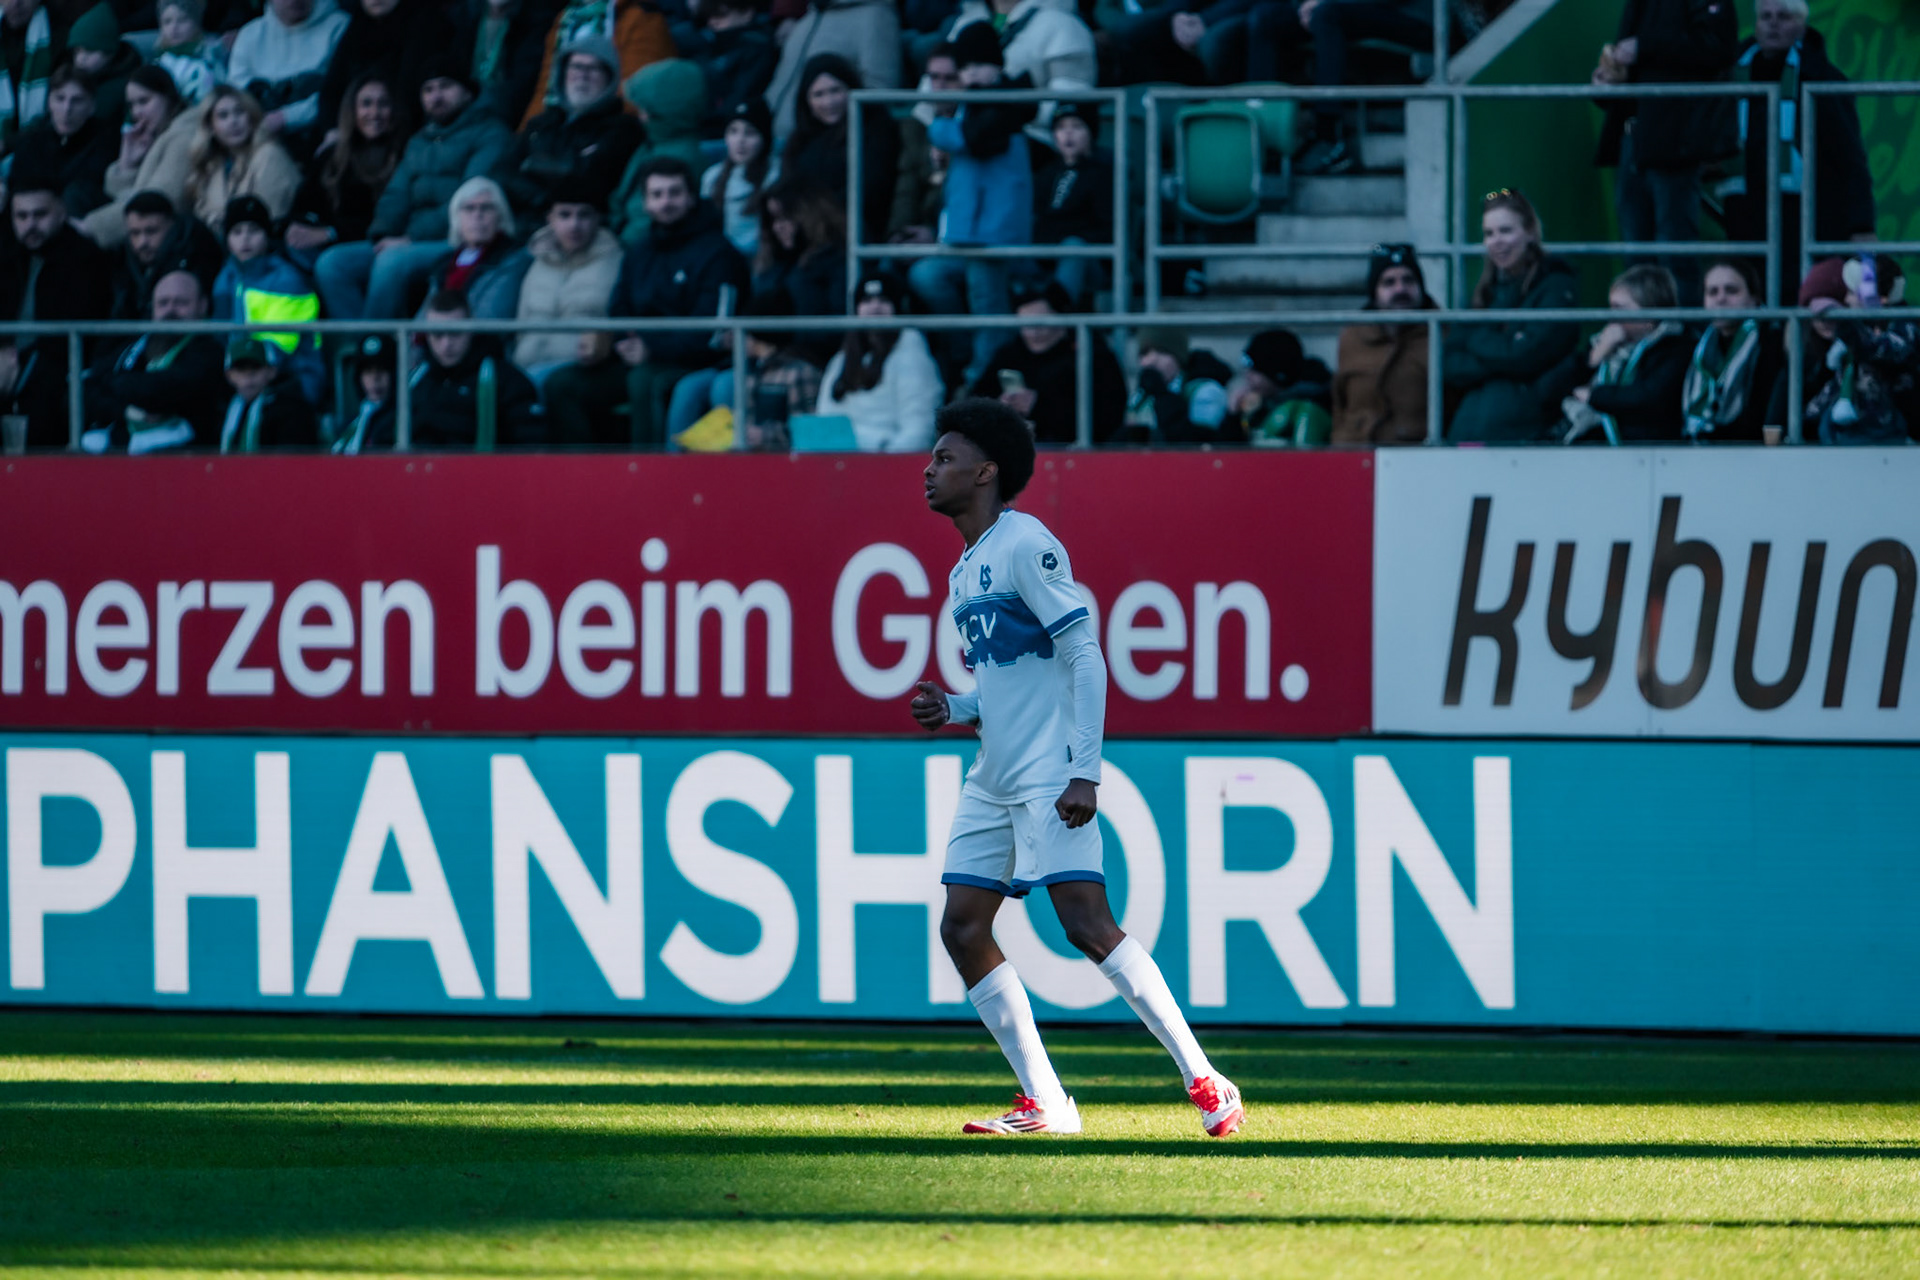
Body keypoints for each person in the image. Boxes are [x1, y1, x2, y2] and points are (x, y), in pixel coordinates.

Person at [909, 396, 1244, 1139]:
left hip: (1050, 773)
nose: (929, 470)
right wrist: (956, 708)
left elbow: (1085, 656)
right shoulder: (965, 570)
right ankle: (1048, 1105)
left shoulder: (1027, 544)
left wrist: (1084, 772)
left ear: (986, 472)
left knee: (1087, 925)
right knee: (963, 928)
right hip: (993, 775)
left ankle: (1204, 1077)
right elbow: (1012, 681)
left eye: (945, 458)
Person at [542, 156, 748, 446]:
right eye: (657, 194)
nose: (666, 202)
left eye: (674, 193)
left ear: (691, 198)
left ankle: (651, 477)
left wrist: (650, 349)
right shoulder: (641, 249)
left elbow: (712, 332)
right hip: (641, 358)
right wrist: (617, 342)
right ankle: (583, 479)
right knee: (563, 384)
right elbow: (619, 307)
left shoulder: (718, 253)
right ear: (646, 202)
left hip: (695, 363)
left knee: (644, 381)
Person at [314, 60, 512, 319]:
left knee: (392, 262)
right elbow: (396, 194)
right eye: (428, 90)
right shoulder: (420, 140)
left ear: (467, 91)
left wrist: (410, 239)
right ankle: (355, 348)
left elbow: (469, 202)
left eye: (445, 87)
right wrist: (383, 233)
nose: (436, 96)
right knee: (333, 264)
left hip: (456, 240)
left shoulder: (491, 134)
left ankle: (376, 350)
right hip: (410, 240)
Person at [1591, 0, 1739, 303]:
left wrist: (1644, 47)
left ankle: (1682, 340)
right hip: (1633, 139)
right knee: (1636, 257)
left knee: (1675, 255)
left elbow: (1717, 48)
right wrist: (1610, 81)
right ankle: (1645, 340)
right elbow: (1644, 67)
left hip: (1675, 144)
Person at [909, 27, 1034, 386]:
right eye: (968, 67)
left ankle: (981, 381)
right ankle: (969, 361)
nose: (972, 75)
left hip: (993, 234)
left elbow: (974, 140)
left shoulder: (1005, 101)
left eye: (981, 64)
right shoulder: (973, 105)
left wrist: (937, 128)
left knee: (988, 307)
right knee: (927, 276)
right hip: (966, 233)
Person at [1719, 0, 1876, 262]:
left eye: (1784, 16)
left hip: (1807, 213)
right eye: (1765, 16)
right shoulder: (1729, 75)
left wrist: (1861, 226)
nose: (1773, 23)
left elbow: (1850, 157)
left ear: (1802, 26)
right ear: (1755, 24)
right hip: (1744, 210)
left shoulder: (1823, 79)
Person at [1444, 189, 1580, 443]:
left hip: (1527, 435)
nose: (1496, 241)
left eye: (1505, 230)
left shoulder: (1557, 286)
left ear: (1530, 232)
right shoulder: (1484, 293)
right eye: (1489, 234)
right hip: (1469, 432)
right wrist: (1505, 354)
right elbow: (1450, 364)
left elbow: (1526, 355)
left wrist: (1477, 340)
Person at [0, 177, 114, 447]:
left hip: (58, 369)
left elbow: (75, 334)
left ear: (62, 212)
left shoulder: (86, 259)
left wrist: (19, 363)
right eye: (22, 216)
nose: (30, 225)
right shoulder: (6, 254)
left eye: (40, 214)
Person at [495, 35, 643, 222]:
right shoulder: (540, 124)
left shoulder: (623, 129)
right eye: (576, 66)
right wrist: (543, 199)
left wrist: (531, 166)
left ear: (609, 77)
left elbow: (589, 182)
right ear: (563, 73)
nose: (583, 75)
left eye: (593, 68)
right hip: (526, 223)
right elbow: (504, 173)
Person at [80, 267, 228, 452]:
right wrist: (124, 411)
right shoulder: (134, 344)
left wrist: (113, 381)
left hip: (183, 460)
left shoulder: (209, 350)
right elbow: (85, 390)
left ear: (202, 305)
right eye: (163, 303)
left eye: (180, 303)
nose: (170, 311)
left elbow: (166, 389)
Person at [1542, 264, 1690, 444]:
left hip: (1644, 450)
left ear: (1649, 314)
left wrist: (1593, 396)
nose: (1612, 317)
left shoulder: (1675, 348)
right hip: (1591, 443)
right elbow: (1551, 390)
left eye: (1620, 309)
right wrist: (1594, 358)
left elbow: (1647, 399)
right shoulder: (1604, 343)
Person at [967, 278, 1125, 445]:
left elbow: (1108, 418)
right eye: (1025, 324)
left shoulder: (1093, 355)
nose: (1033, 331)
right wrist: (999, 407)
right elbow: (974, 403)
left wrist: (1040, 405)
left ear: (1062, 316)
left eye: (1040, 322)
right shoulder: (1009, 355)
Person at [663, 291, 824, 449]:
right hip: (756, 464)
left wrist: (764, 435)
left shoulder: (801, 373)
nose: (737, 338)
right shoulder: (752, 371)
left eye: (744, 332)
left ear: (756, 335)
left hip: (788, 467)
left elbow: (810, 434)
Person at [773, 53, 899, 243]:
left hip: (856, 230)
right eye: (819, 94)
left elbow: (874, 186)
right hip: (805, 232)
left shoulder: (875, 125)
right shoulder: (799, 139)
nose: (829, 102)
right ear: (806, 100)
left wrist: (817, 215)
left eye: (836, 91)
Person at [212, 194, 326, 403]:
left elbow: (277, 351)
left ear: (267, 236)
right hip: (242, 376)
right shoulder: (225, 278)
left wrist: (237, 375)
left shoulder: (288, 280)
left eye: (254, 231)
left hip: (294, 380)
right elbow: (219, 338)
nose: (245, 239)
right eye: (237, 232)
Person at [285, 74, 406, 269]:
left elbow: (384, 221)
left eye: (383, 104)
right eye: (366, 104)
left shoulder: (403, 155)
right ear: (353, 110)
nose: (374, 112)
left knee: (329, 265)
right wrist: (299, 227)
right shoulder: (332, 155)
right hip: (323, 239)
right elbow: (303, 202)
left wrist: (331, 233)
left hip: (372, 244)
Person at [510, 176, 623, 385]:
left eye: (584, 215)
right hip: (524, 366)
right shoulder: (537, 262)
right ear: (550, 219)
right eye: (565, 215)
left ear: (597, 219)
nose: (574, 225)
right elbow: (521, 324)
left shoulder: (616, 263)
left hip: (582, 372)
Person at [816, 270, 942, 452]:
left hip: (889, 464)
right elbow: (826, 419)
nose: (875, 308)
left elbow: (919, 429)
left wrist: (885, 461)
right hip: (841, 462)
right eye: (866, 301)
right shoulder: (842, 359)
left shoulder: (911, 354)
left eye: (884, 300)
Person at [1803, 255, 1919, 445]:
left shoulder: (1905, 327)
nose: (1846, 300)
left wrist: (1847, 328)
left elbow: (1884, 351)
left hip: (1890, 433)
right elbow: (1838, 383)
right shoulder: (1861, 329)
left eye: (1852, 292)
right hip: (1846, 431)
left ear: (1880, 298)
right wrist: (1806, 418)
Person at [1331, 242, 1436, 445]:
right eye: (1389, 283)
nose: (1401, 289)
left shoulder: (1441, 333)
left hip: (1420, 456)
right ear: (1374, 292)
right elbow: (1339, 402)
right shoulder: (1352, 337)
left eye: (1409, 280)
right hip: (1356, 451)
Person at [80, 66, 196, 247]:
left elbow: (160, 202)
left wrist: (90, 228)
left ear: (168, 98)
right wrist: (128, 164)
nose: (136, 113)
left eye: (144, 101)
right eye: (132, 105)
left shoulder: (183, 137)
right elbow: (126, 196)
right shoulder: (162, 134)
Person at [412, 286, 542, 446]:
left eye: (455, 333)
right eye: (437, 334)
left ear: (471, 328)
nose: (446, 344)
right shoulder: (415, 381)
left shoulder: (506, 382)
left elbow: (530, 447)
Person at [520, 0, 673, 128]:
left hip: (610, 134)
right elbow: (545, 89)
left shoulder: (641, 16)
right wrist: (524, 137)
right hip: (560, 130)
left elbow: (635, 100)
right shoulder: (567, 17)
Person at [606, 57, 710, 244]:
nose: (641, 116)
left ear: (667, 112)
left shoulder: (682, 157)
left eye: (647, 110)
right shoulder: (652, 143)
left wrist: (615, 246)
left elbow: (644, 219)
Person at [764, 0, 900, 140]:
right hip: (778, 145)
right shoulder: (808, 20)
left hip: (824, 146)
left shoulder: (874, 17)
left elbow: (879, 93)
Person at [226, 0, 352, 150]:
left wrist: (287, 118)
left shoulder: (339, 26)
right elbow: (235, 91)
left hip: (318, 129)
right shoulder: (250, 35)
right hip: (258, 128)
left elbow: (342, 91)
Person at [1682, 257, 1783, 443]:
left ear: (1754, 299)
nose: (1721, 299)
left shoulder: (1771, 343)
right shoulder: (1698, 347)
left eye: (1731, 290)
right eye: (1712, 292)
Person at [316, 0, 447, 134]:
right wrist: (331, 129)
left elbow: (410, 91)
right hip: (354, 129)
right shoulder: (357, 28)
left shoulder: (425, 24)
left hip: (404, 129)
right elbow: (332, 87)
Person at [182, 85, 302, 231]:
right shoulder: (213, 165)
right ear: (211, 127)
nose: (233, 121)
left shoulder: (269, 155)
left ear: (251, 119)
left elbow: (272, 217)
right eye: (223, 116)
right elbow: (202, 217)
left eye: (239, 112)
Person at [1031, 101, 1111, 307]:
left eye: (1076, 127)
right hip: (1047, 255)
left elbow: (1107, 227)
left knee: (1073, 247)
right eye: (1061, 128)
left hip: (1090, 261)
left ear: (1091, 132)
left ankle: (1057, 313)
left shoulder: (1104, 174)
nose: (1068, 134)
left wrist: (1066, 237)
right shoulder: (1045, 174)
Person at [944, 0, 1095, 106]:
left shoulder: (1064, 26)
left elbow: (1071, 105)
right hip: (961, 142)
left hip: (1036, 143)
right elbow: (932, 97)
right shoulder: (963, 25)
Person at [12, 63, 114, 217]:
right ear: (49, 102)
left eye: (77, 100)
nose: (67, 109)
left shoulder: (107, 141)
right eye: (60, 99)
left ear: (91, 106)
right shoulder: (32, 141)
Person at [108, 188, 224, 319]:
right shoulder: (124, 260)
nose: (142, 242)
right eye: (135, 233)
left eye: (151, 231)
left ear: (172, 225)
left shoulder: (198, 253)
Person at [422, 175, 524, 319]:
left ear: (500, 216)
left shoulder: (513, 260)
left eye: (486, 208)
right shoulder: (443, 264)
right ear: (456, 217)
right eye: (469, 208)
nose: (477, 215)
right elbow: (422, 319)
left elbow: (490, 319)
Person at [667, 0, 775, 133]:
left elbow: (742, 93)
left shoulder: (756, 49)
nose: (713, 22)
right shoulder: (708, 45)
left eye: (721, 15)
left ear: (747, 12)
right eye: (709, 16)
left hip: (724, 128)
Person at [886, 42, 954, 244]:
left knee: (925, 275)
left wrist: (933, 233)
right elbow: (907, 186)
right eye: (934, 77)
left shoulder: (976, 130)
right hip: (920, 234)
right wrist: (899, 232)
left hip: (952, 238)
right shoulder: (917, 126)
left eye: (950, 78)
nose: (940, 87)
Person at [451, 0, 555, 127]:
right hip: (460, 110)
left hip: (503, 117)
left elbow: (523, 83)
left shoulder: (536, 20)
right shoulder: (464, 15)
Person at [1121, 327, 1233, 442]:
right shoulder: (1140, 398)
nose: (1152, 360)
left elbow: (1198, 442)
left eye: (1162, 352)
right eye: (1145, 353)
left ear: (1178, 357)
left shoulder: (1204, 391)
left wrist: (1162, 395)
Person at [1226, 326, 1332, 444]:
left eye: (1255, 371)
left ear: (1276, 375)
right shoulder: (1261, 404)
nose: (1247, 376)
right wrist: (1234, 415)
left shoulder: (1306, 408)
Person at [700, 97, 776, 257]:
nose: (740, 141)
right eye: (733, 131)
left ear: (764, 138)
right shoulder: (712, 177)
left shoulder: (775, 176)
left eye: (750, 133)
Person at [216, 335, 320, 451]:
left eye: (255, 367)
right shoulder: (220, 410)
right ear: (229, 375)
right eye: (241, 368)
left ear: (271, 371)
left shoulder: (292, 410)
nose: (248, 375)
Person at [0, 0, 61, 155]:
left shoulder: (58, 37)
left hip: (38, 146)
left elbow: (62, 105)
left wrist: (9, 143)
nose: (16, 3)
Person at [65, 3, 140, 123]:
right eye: (77, 51)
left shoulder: (125, 87)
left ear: (109, 52)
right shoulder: (75, 79)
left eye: (89, 51)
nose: (81, 59)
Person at [152, 0, 229, 106]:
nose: (174, 27)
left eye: (182, 20)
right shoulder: (158, 62)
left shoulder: (210, 57)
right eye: (167, 21)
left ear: (196, 23)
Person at [333, 331, 397, 451]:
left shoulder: (402, 424)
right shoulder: (350, 425)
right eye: (368, 371)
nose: (375, 379)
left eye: (382, 370)